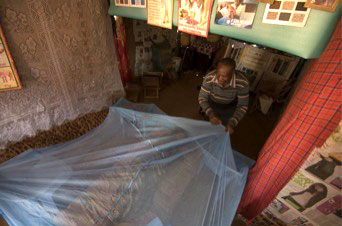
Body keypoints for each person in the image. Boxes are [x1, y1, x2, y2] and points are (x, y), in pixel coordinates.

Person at [198, 57, 249, 134]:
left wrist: (232, 122)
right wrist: (211, 114)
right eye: (218, 74)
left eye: (225, 76)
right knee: (207, 128)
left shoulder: (242, 82)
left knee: (223, 130)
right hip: (212, 104)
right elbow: (202, 98)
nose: (220, 78)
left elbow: (242, 105)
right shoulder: (209, 78)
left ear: (232, 73)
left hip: (229, 107)